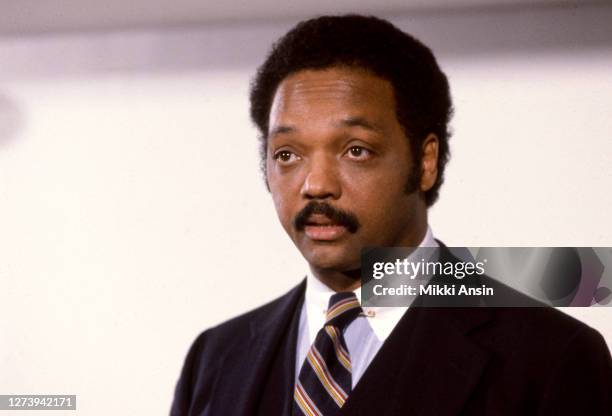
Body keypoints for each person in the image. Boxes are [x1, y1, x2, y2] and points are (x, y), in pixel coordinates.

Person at [171, 15, 611, 415]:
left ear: (425, 161)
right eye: (287, 153)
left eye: (355, 150)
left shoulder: (552, 359)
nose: (315, 183)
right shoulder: (215, 358)